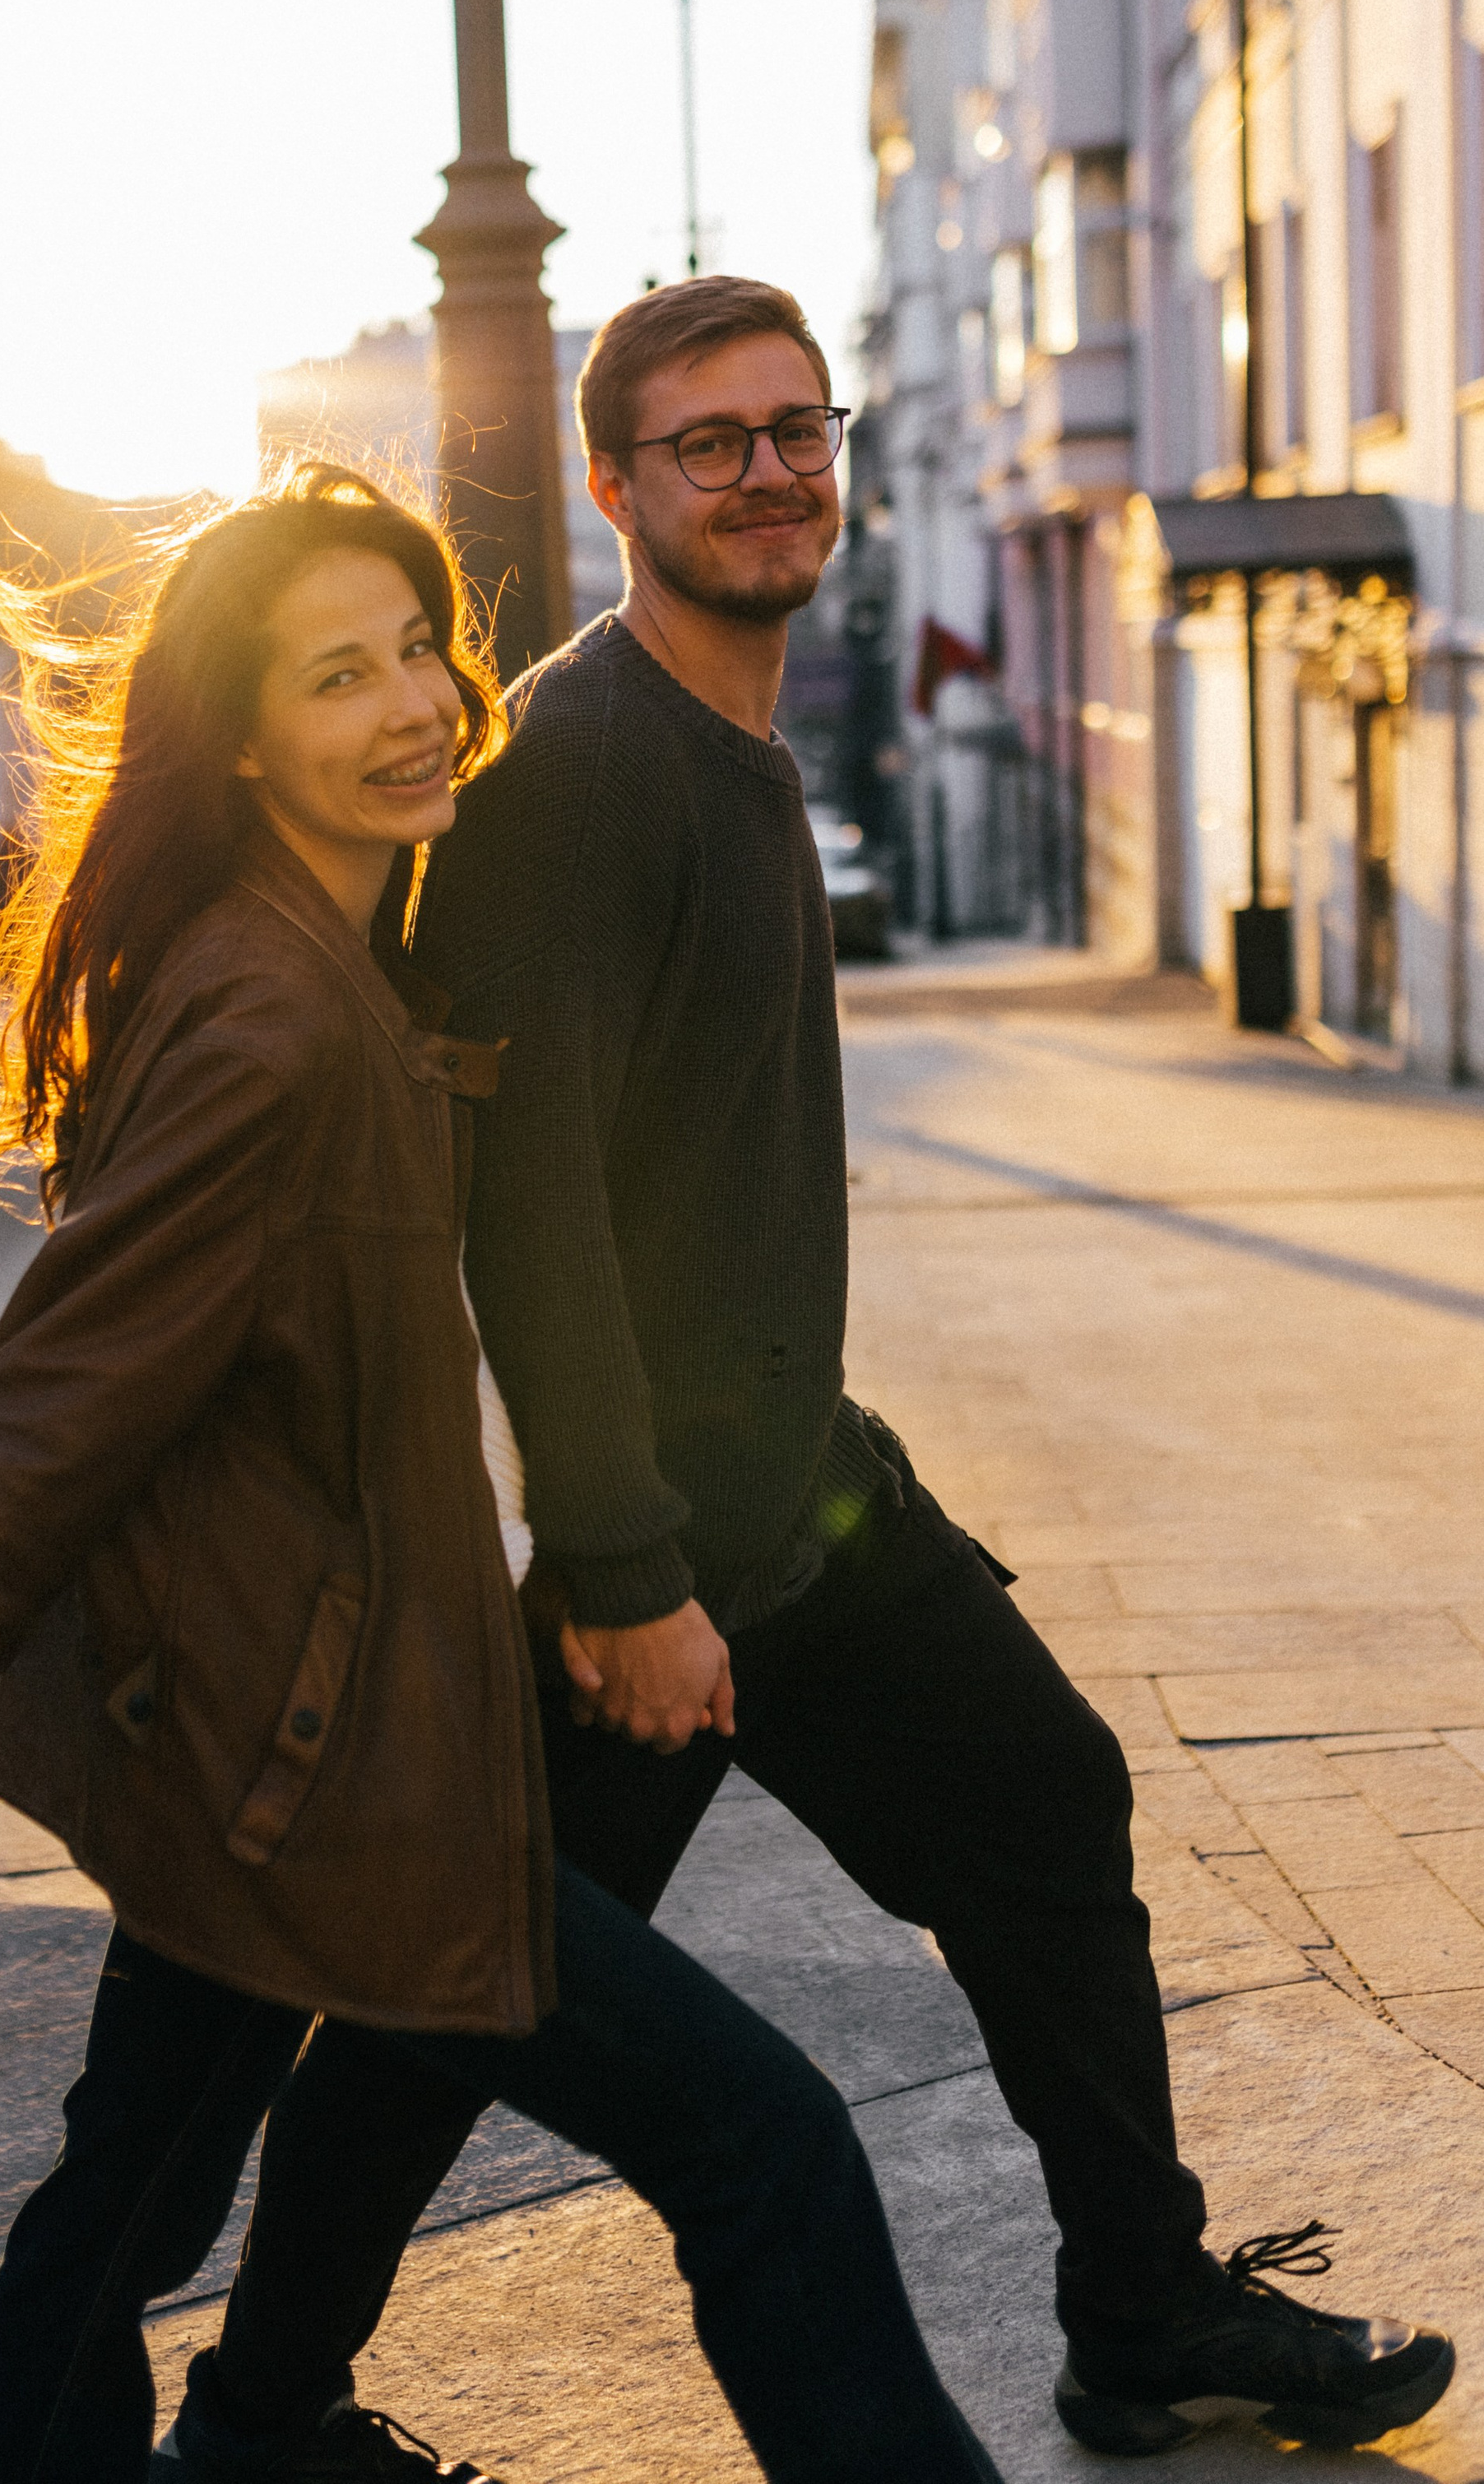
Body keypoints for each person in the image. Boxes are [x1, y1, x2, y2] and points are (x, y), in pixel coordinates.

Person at [0, 464, 1003, 2484]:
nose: (414, 700)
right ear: (244, 732)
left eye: (419, 646)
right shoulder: (270, 1016)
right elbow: (33, 1428)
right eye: (335, 673)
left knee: (122, 2207)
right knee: (761, 2137)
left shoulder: (337, 959)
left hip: (256, 1717)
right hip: (323, 1770)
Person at [172, 281, 1456, 2473]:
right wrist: (616, 1566)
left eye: (797, 429)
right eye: (709, 443)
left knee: (1044, 1809)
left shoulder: (733, 741)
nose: (770, 472)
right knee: (445, 1996)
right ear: (613, 487)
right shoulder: (573, 776)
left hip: (794, 1495)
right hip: (652, 1543)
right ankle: (260, 2417)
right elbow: (532, 1200)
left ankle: (1144, 2314)